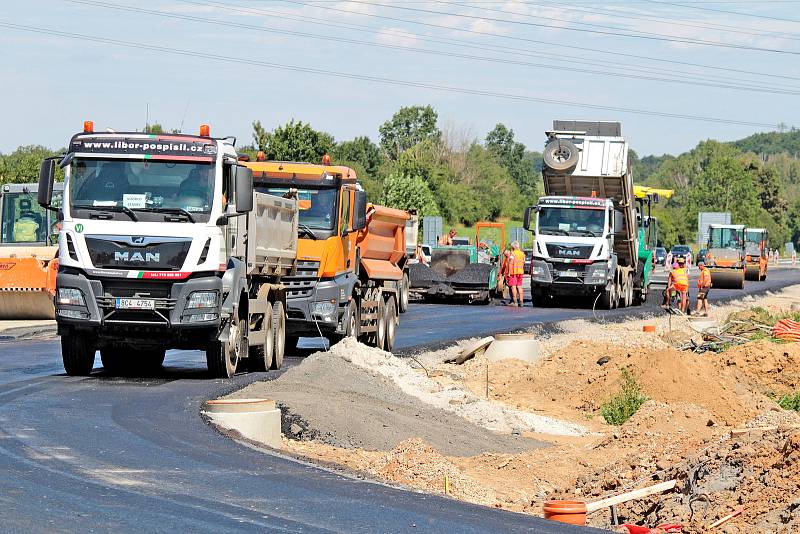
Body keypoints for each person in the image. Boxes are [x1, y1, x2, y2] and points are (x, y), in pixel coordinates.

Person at [506, 240, 525, 307]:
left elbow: (511, 263)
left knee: (513, 287)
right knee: (519, 286)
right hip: (520, 272)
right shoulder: (522, 254)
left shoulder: (512, 254)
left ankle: (515, 302)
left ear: (513, 247)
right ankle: (521, 301)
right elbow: (523, 263)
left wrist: (508, 272)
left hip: (514, 273)